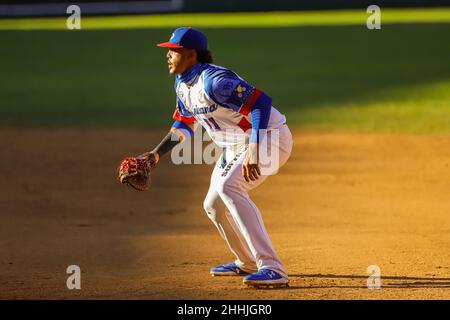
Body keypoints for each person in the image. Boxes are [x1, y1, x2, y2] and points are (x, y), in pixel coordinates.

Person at [142, 27, 293, 288]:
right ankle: (245, 261)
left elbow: (261, 102)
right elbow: (183, 125)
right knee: (213, 205)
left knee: (229, 186)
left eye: (173, 51)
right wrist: (156, 155)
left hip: (270, 137)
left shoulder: (215, 82)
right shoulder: (182, 84)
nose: (167, 56)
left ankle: (272, 267)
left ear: (190, 54)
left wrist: (254, 151)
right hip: (236, 146)